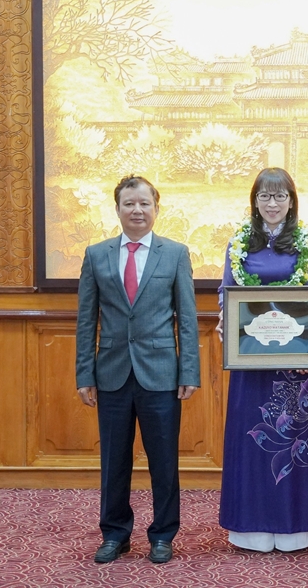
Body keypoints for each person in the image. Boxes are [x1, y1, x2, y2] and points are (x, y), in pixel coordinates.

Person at [75, 175, 200, 564]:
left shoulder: (175, 253)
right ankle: (115, 534)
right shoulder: (97, 254)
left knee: (164, 461)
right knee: (113, 461)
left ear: (156, 209)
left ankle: (163, 535)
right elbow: (86, 319)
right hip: (110, 373)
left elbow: (188, 319)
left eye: (144, 203)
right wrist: (84, 374)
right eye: (129, 204)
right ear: (117, 209)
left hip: (161, 373)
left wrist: (188, 371)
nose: (137, 210)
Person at [216, 167, 308, 552]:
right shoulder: (240, 243)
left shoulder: (305, 243)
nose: (273, 203)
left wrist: (307, 351)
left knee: (290, 437)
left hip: (292, 363)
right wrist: (227, 328)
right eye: (265, 196)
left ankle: (294, 528)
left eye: (280, 196)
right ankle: (250, 528)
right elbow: (227, 294)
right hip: (250, 360)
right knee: (251, 438)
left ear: (292, 201)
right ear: (255, 201)